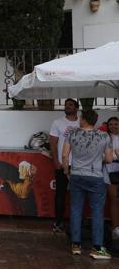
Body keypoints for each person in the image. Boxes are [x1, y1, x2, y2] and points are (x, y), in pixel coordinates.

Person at [62, 110, 113, 259]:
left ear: (83, 119)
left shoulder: (72, 134)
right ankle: (97, 248)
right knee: (97, 211)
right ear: (95, 121)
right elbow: (109, 159)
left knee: (76, 209)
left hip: (76, 175)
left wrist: (67, 172)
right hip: (95, 176)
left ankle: (76, 245)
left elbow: (64, 156)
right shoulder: (104, 136)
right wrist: (97, 160)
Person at [49, 98, 79, 233]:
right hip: (62, 164)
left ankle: (75, 224)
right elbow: (53, 143)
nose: (68, 107)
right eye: (66, 105)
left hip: (79, 165)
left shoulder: (82, 122)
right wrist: (56, 161)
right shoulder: (57, 123)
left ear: (76, 108)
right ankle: (58, 222)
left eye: (71, 105)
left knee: (77, 195)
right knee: (60, 194)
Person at [102, 117, 119, 239]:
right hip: (110, 172)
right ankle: (116, 228)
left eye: (116, 124)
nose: (113, 126)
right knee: (115, 200)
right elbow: (101, 155)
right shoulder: (105, 138)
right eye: (111, 124)